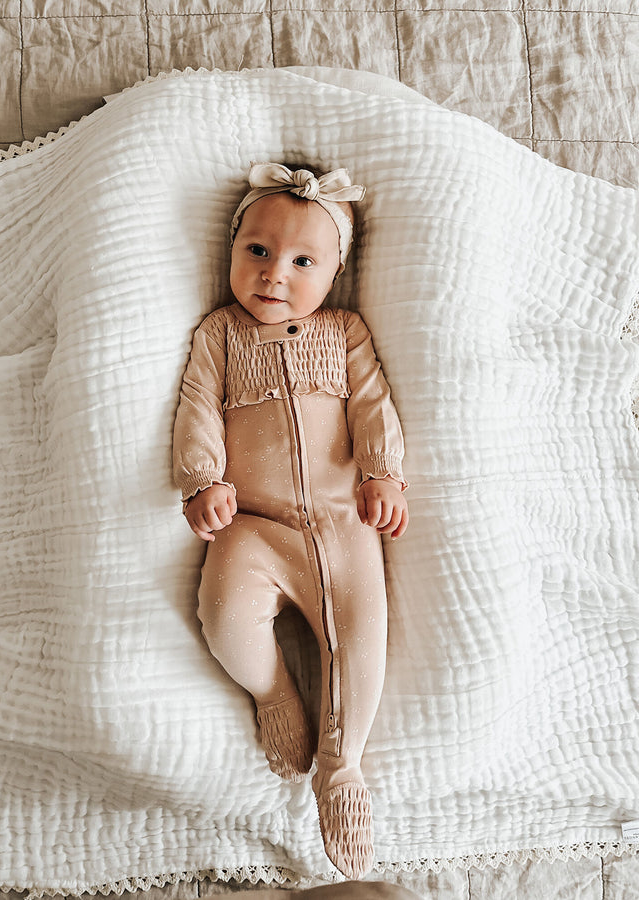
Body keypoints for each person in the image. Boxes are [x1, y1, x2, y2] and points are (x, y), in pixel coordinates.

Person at [172, 162, 408, 879]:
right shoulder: (220, 333)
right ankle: (274, 690)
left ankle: (341, 766)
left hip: (343, 521)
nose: (275, 273)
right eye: (259, 251)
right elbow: (196, 407)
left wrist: (382, 471)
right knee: (224, 611)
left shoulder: (344, 332)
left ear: (335, 273)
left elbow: (372, 402)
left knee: (362, 634)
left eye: (303, 261)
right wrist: (202, 481)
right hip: (254, 522)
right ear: (233, 250)